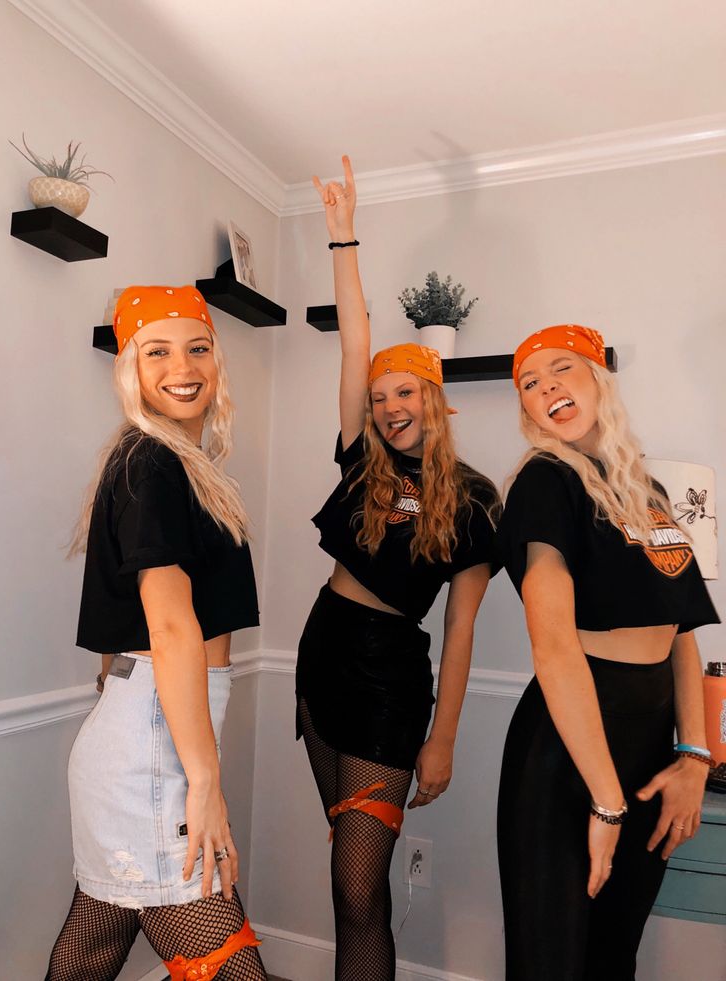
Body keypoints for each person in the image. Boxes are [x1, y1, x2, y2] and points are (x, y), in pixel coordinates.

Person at [297, 156, 501, 981]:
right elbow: (355, 339)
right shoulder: (361, 463)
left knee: (358, 887)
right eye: (379, 396)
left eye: (403, 392)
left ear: (435, 396)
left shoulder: (478, 500)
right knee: (344, 871)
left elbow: (459, 629)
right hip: (322, 652)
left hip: (390, 679)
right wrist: (342, 234)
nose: (387, 404)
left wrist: (441, 737)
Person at [46, 286, 267, 981]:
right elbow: (169, 626)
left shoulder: (175, 464)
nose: (184, 365)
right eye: (158, 350)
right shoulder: (153, 462)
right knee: (236, 971)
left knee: (91, 947)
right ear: (131, 368)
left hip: (145, 729)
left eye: (198, 347)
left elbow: (126, 631)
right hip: (152, 750)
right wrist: (203, 780)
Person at [496, 324, 720, 981]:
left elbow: (681, 634)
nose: (547, 389)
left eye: (562, 369)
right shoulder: (545, 481)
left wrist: (694, 755)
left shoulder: (644, 492)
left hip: (649, 745)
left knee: (612, 954)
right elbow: (555, 646)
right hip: (569, 751)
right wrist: (605, 800)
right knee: (553, 961)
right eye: (530, 384)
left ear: (599, 379)